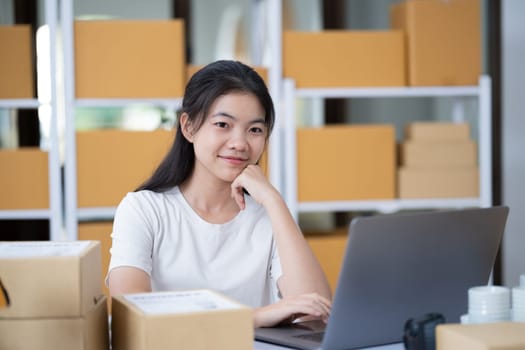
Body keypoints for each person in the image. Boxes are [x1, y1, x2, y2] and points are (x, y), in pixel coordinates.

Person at [107, 60, 331, 328]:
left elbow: (315, 312)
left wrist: (273, 200)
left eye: (255, 130)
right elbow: (132, 313)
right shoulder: (144, 209)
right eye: (223, 124)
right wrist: (253, 317)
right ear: (188, 127)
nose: (239, 143)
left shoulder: (268, 215)